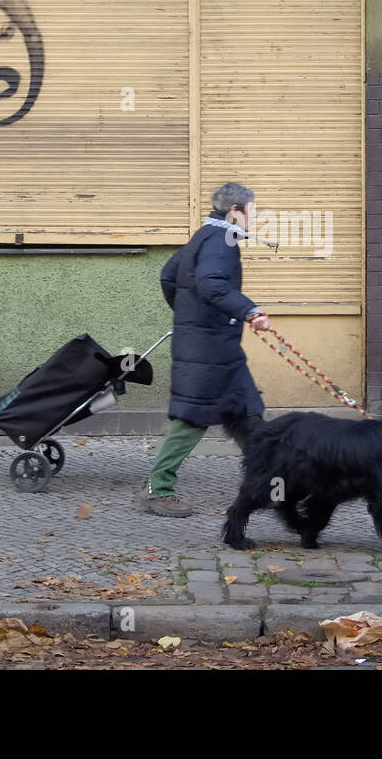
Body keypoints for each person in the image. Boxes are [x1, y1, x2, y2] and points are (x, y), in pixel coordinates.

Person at [139, 182, 269, 517]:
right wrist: (250, 311)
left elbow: (169, 276)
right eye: (253, 210)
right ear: (235, 211)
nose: (256, 216)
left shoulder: (204, 235)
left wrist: (190, 317)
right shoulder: (221, 240)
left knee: (248, 411)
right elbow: (211, 283)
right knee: (193, 418)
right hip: (209, 350)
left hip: (215, 346)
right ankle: (158, 489)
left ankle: (269, 485)